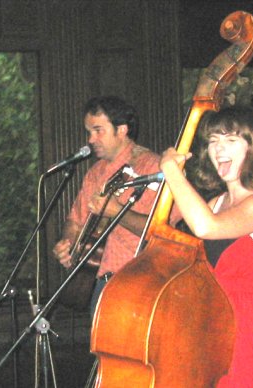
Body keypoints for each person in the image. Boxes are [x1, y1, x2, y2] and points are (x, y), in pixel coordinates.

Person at [159, 105, 253, 387]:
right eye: (213, 141)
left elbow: (206, 227)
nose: (220, 149)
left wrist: (171, 171)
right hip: (215, 326)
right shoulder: (215, 204)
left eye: (231, 140)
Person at [52, 96, 160, 315]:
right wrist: (68, 243)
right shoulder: (95, 173)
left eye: (98, 130)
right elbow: (74, 221)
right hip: (100, 283)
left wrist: (118, 212)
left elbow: (160, 229)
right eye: (89, 132)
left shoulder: (153, 167)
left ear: (121, 130)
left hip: (140, 284)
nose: (91, 139)